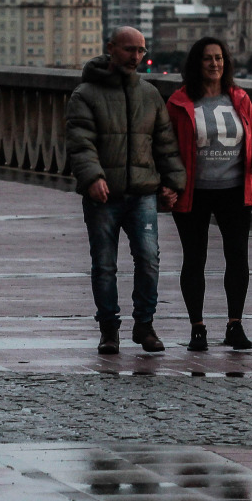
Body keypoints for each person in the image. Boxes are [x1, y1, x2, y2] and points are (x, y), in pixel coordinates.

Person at [66, 26, 186, 355]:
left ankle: (144, 326)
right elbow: (80, 144)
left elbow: (165, 145)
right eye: (129, 50)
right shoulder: (86, 94)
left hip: (143, 194)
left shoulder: (149, 95)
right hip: (103, 196)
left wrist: (173, 183)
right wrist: (93, 177)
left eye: (141, 51)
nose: (135, 57)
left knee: (148, 260)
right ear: (111, 49)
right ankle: (109, 330)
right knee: (104, 264)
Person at [162, 37, 252, 352]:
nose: (215, 64)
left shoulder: (239, 98)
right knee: (194, 259)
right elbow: (166, 147)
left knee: (237, 257)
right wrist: (167, 182)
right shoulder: (179, 102)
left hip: (234, 191)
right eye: (208, 59)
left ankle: (235, 325)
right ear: (197, 64)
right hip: (193, 192)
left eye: (220, 58)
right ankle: (197, 328)